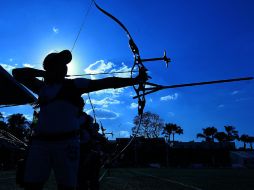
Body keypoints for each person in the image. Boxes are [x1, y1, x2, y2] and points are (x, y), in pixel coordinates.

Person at [12, 49, 147, 190]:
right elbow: (17, 73)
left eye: (64, 65)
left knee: (67, 186)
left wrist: (135, 80)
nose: (64, 68)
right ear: (50, 67)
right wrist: (43, 74)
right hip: (41, 143)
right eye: (59, 64)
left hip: (67, 143)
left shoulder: (74, 85)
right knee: (32, 185)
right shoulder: (41, 87)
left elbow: (106, 83)